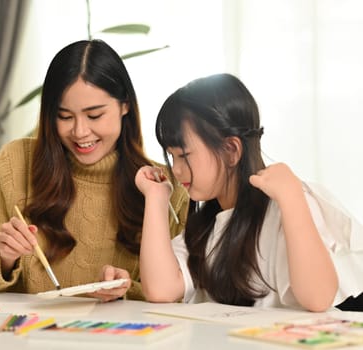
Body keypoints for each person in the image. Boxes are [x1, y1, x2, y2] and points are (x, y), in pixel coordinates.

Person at [0, 39, 188, 301]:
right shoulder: (14, 163)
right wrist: (5, 257)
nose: (80, 132)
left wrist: (126, 288)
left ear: (124, 105)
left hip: (118, 339)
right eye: (65, 116)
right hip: (28, 337)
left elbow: (179, 293)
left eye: (94, 116)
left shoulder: (162, 186)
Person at [135, 73, 363, 311]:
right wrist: (156, 198)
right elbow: (161, 289)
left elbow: (318, 299)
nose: (176, 169)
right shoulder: (207, 227)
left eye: (183, 155)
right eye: (171, 156)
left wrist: (293, 199)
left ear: (231, 150)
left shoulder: (288, 201)